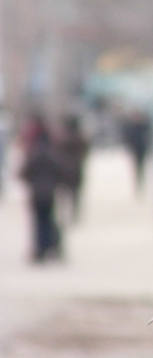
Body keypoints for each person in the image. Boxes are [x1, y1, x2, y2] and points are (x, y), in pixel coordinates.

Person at [18, 112, 62, 262]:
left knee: (38, 222)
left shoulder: (34, 155)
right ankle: (49, 247)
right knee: (48, 220)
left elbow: (23, 173)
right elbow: (61, 172)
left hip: (36, 193)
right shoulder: (53, 155)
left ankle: (39, 250)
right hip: (49, 193)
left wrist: (32, 182)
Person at [55, 114, 89, 221]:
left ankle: (62, 214)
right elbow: (85, 153)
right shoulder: (81, 139)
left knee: (63, 194)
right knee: (75, 194)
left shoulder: (62, 138)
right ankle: (74, 214)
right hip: (76, 169)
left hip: (63, 170)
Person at [121, 109, 152, 193]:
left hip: (141, 148)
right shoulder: (131, 126)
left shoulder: (143, 126)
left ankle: (141, 182)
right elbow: (128, 137)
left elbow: (148, 137)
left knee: (141, 166)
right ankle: (137, 183)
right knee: (136, 166)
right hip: (134, 149)